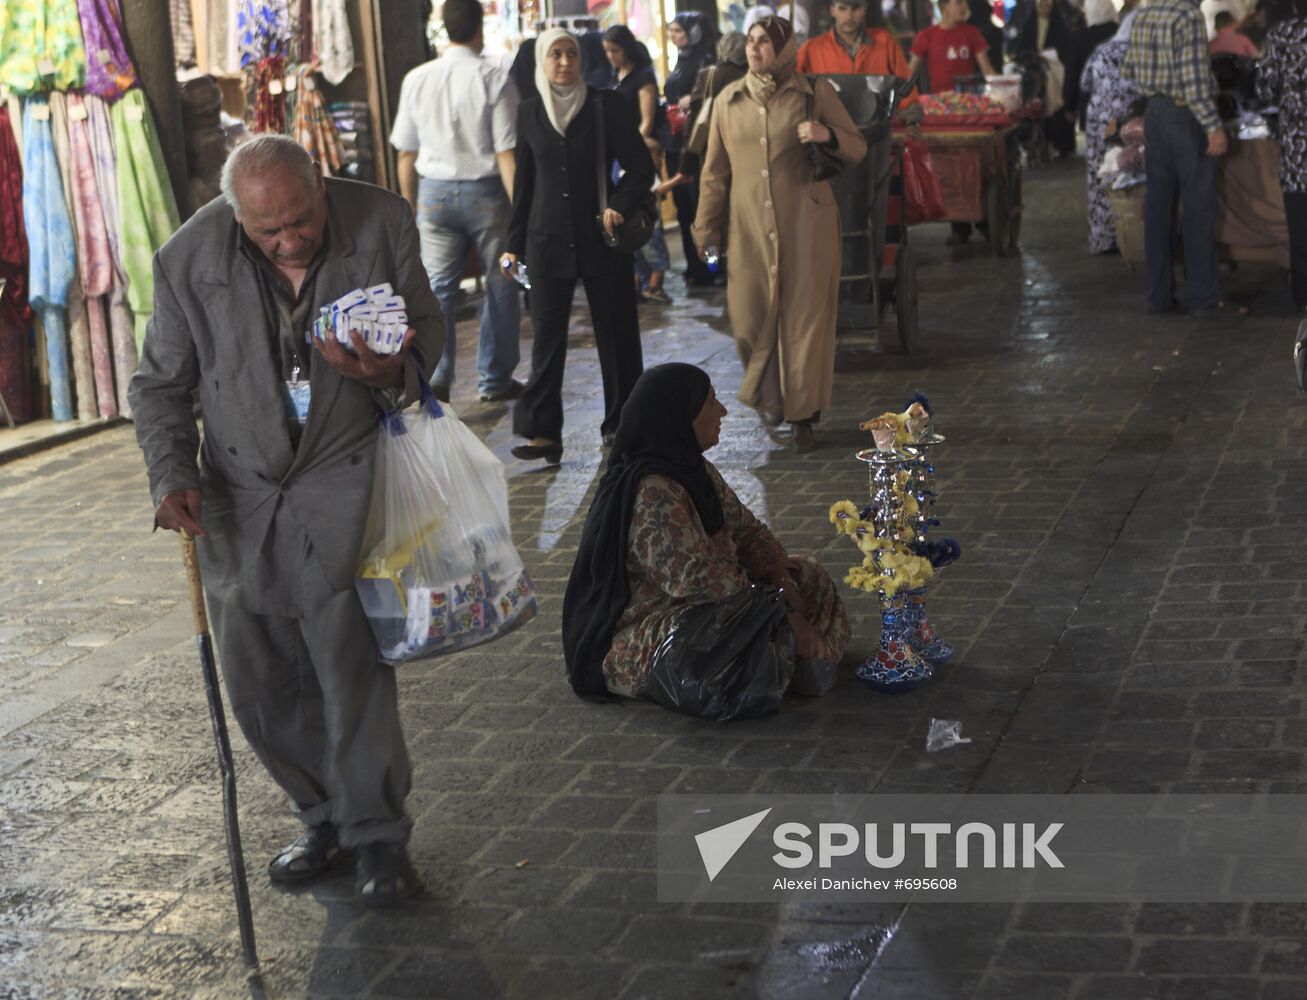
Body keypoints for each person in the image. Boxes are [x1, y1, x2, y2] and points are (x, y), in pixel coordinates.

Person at [128, 135, 444, 903]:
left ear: (320, 190)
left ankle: (377, 839)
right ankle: (321, 817)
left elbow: (429, 336)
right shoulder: (186, 258)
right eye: (269, 231)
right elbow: (159, 387)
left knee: (350, 673)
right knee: (262, 682)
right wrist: (170, 476)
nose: (291, 240)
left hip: (347, 487)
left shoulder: (381, 221)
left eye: (302, 220)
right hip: (241, 501)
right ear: (237, 217)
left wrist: (395, 370)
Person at [562, 364, 851, 715]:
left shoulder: (694, 469)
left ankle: (783, 660)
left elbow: (748, 531)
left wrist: (782, 581)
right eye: (711, 403)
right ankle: (786, 660)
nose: (723, 411)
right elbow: (702, 582)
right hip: (655, 623)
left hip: (732, 600)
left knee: (810, 577)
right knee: (716, 634)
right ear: (680, 416)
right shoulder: (651, 492)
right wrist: (787, 615)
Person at [693, 16, 866, 453]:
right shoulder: (727, 102)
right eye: (751, 41)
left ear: (785, 49)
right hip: (749, 227)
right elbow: (714, 172)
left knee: (805, 321)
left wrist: (827, 134)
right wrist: (706, 228)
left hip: (808, 223)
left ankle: (803, 415)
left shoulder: (815, 93)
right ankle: (771, 397)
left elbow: (857, 145)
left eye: (766, 42)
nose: (756, 48)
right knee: (748, 316)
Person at [504, 28, 653, 465]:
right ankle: (543, 433)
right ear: (541, 63)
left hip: (602, 239)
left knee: (618, 338)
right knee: (547, 341)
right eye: (555, 54)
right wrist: (513, 244)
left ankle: (623, 428)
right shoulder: (530, 112)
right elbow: (525, 185)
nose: (565, 62)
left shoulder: (608, 105)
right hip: (545, 241)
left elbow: (640, 169)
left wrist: (621, 206)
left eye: (571, 53)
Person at [390, 0, 521, 404]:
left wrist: (409, 205)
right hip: (487, 195)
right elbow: (505, 154)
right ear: (479, 26)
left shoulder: (417, 78)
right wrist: (521, 212)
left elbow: (405, 153)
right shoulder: (495, 77)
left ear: (443, 28)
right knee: (502, 284)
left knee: (437, 291)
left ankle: (436, 376)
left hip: (434, 194)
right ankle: (495, 378)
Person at [1124, 0, 1227, 316]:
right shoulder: (1188, 16)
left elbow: (1128, 69)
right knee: (1198, 209)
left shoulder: (1143, 15)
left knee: (1158, 208)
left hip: (1155, 113)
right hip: (1186, 116)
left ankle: (1158, 296)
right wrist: (1213, 126)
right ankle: (1203, 299)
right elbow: (1194, 83)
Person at [603, 25, 673, 305]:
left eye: (614, 50)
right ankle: (639, 276)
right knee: (622, 211)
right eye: (606, 51)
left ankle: (654, 279)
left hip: (638, 152)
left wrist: (633, 147)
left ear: (626, 49)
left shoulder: (642, 77)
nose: (610, 56)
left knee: (643, 211)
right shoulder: (615, 76)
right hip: (619, 153)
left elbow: (646, 119)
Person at [1256, 0, 1307, 312]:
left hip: (1297, 147)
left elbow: (1265, 88)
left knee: (1300, 226)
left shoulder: (1282, 35)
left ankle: (1303, 295)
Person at [664, 11, 718, 288]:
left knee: (700, 208)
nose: (673, 35)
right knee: (685, 209)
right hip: (676, 142)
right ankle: (694, 266)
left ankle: (710, 267)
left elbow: (709, 100)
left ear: (694, 32)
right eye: (671, 30)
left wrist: (692, 100)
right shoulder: (682, 61)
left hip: (696, 145)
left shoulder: (705, 62)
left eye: (678, 30)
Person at [1081, 9, 1140, 253]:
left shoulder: (1102, 49)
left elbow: (1084, 83)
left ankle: (1102, 238)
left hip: (1099, 122)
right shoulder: (1141, 52)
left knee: (1100, 173)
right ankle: (1128, 232)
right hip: (1127, 123)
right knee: (1126, 170)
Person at [1014, 0, 1080, 155]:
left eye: (1048, 6)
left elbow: (1063, 48)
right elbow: (1021, 48)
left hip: (1054, 69)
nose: (1045, 9)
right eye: (1042, 6)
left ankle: (1059, 144)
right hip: (1035, 70)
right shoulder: (1030, 24)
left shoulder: (1059, 25)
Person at [796, 0, 916, 84]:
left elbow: (904, 84)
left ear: (865, 9)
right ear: (832, 10)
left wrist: (907, 115)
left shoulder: (885, 41)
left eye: (856, 9)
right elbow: (796, 90)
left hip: (878, 118)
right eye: (842, 9)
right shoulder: (811, 49)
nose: (849, 16)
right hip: (828, 120)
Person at [909, 0, 997, 94]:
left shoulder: (973, 33)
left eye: (966, 3)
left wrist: (1004, 88)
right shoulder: (926, 36)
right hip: (939, 102)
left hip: (967, 100)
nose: (965, 7)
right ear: (944, 6)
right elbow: (909, 74)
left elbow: (988, 71)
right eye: (959, 2)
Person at [1063, 0, 1119, 129]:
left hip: (1091, 108)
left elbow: (1072, 74)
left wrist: (1070, 106)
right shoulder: (1120, 32)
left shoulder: (1079, 39)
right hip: (1120, 107)